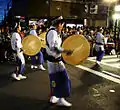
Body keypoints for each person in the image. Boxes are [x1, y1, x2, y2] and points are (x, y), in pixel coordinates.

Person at [46, 16, 73, 107]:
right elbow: (53, 47)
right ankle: (58, 97)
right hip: (54, 61)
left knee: (57, 79)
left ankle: (56, 96)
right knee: (61, 79)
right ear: (58, 24)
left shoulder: (55, 32)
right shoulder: (53, 32)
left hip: (56, 60)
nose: (62, 26)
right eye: (62, 24)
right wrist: (65, 51)